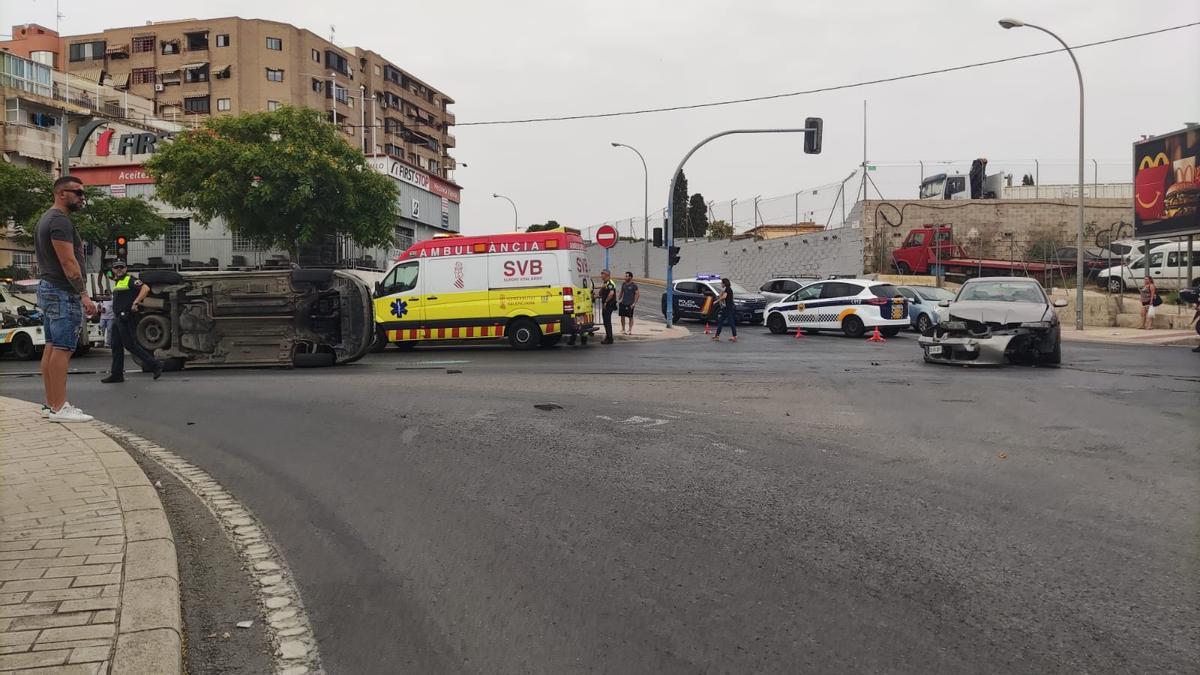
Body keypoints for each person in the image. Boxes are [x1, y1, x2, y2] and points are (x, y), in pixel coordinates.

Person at [34, 176, 96, 423]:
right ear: (61, 194)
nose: (82, 198)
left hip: (49, 288)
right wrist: (83, 294)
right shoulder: (59, 220)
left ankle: (51, 404)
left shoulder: (46, 218)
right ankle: (60, 407)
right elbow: (68, 263)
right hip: (62, 291)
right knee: (62, 348)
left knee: (51, 346)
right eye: (78, 193)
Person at [102, 260, 162, 383]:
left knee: (130, 345)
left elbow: (145, 288)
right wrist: (108, 267)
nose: (119, 269)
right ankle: (117, 374)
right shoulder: (118, 280)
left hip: (126, 317)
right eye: (116, 268)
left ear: (126, 269)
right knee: (115, 346)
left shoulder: (130, 279)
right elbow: (105, 271)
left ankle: (155, 365)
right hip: (117, 318)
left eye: (121, 267)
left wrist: (136, 302)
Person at [711, 277, 738, 343]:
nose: (721, 284)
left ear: (724, 283)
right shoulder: (725, 289)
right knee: (721, 321)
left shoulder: (728, 289)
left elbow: (724, 297)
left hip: (728, 308)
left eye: (721, 283)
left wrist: (716, 301)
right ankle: (717, 336)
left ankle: (734, 336)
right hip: (725, 308)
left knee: (731, 322)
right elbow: (721, 295)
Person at [599, 269, 617, 344]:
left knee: (607, 321)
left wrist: (606, 301)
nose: (601, 275)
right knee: (605, 321)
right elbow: (601, 294)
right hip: (605, 305)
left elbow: (611, 293)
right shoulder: (605, 283)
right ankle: (608, 336)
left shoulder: (610, 283)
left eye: (602, 274)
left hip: (609, 305)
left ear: (607, 275)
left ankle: (610, 338)